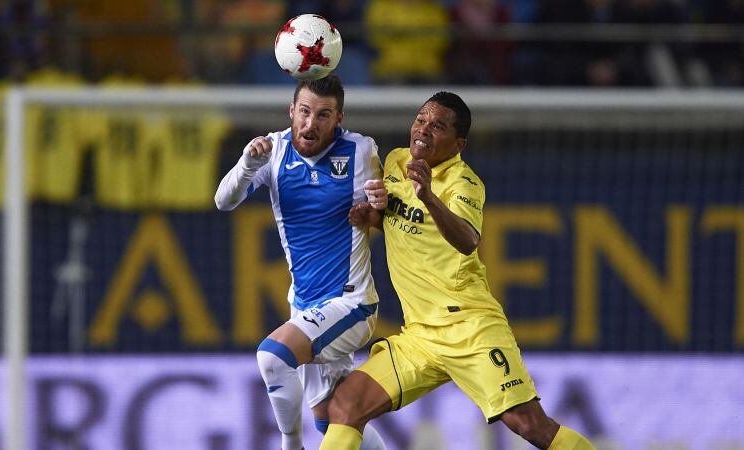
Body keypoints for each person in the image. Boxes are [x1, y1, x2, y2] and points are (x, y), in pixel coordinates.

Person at [320, 92, 595, 449]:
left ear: (458, 143)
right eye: (421, 120)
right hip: (420, 336)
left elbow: (467, 240)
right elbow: (400, 222)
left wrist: (429, 196)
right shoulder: (396, 161)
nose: (423, 130)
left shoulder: (464, 183)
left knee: (530, 426)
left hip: (469, 328)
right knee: (346, 403)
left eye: (438, 126)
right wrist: (370, 218)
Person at [214, 75, 387, 450]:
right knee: (335, 420)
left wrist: (377, 207)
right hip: (305, 305)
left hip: (351, 302)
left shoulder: (360, 151)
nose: (311, 124)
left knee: (273, 357)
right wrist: (246, 164)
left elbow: (385, 218)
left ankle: (291, 445)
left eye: (324, 115)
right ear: (292, 111)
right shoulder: (271, 150)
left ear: (338, 118)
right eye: (305, 112)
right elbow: (223, 201)